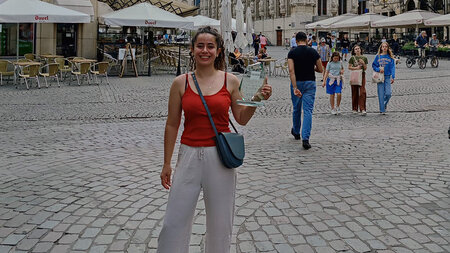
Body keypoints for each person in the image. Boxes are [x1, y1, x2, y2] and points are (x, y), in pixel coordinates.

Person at [157, 26, 272, 253]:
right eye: (200, 46)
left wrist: (257, 99)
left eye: (210, 46)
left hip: (219, 158)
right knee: (173, 223)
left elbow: (241, 118)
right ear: (192, 50)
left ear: (219, 51)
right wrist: (167, 162)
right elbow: (172, 123)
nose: (205, 51)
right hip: (188, 154)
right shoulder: (180, 82)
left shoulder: (230, 81)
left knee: (221, 225)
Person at [288, 31, 323, 149]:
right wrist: (312, 67)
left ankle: (296, 131)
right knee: (308, 111)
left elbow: (291, 71)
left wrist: (294, 87)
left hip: (297, 82)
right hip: (310, 83)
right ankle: (306, 138)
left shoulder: (292, 52)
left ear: (297, 41)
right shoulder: (313, 52)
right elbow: (320, 69)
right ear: (306, 40)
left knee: (296, 108)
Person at [372, 42, 395, 115]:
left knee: (388, 93)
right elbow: (374, 65)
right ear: (381, 48)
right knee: (381, 93)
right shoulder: (378, 56)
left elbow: (392, 68)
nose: (384, 48)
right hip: (380, 77)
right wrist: (378, 69)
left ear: (388, 48)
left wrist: (393, 77)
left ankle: (384, 103)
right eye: (383, 46)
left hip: (387, 77)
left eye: (386, 47)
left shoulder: (390, 57)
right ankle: (382, 109)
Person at [348, 45, 368, 115]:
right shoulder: (352, 58)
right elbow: (349, 67)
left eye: (358, 48)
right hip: (354, 75)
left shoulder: (364, 58)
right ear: (354, 51)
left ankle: (362, 108)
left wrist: (363, 63)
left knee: (362, 91)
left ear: (360, 49)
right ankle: (354, 108)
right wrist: (357, 68)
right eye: (356, 49)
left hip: (362, 74)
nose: (357, 50)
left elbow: (365, 68)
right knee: (354, 91)